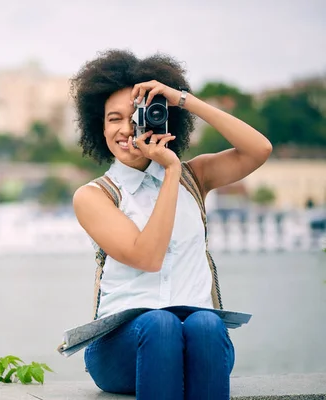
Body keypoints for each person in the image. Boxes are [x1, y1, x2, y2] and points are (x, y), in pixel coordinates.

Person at [71, 50, 272, 400]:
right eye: (113, 119)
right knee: (159, 322)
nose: (125, 129)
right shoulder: (94, 196)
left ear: (159, 119)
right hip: (120, 349)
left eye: (136, 116)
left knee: (208, 322)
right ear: (99, 126)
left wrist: (183, 100)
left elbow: (259, 149)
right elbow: (148, 257)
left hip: (198, 341)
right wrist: (171, 172)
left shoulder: (197, 177)